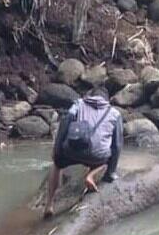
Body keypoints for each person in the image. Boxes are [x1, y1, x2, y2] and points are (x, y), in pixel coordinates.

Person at [44, 86, 123, 218]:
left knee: (57, 165)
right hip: (97, 157)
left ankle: (49, 205)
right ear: (107, 99)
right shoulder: (115, 113)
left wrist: (57, 150)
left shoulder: (78, 104)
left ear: (90, 95)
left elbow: (65, 123)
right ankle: (90, 175)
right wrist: (111, 172)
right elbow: (117, 145)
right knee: (105, 155)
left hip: (73, 150)